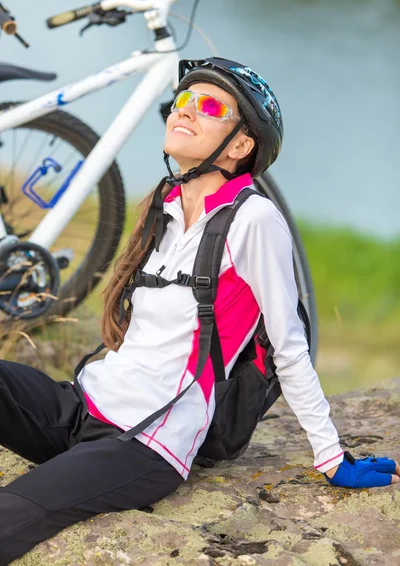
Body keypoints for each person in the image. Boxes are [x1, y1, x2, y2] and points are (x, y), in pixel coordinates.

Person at [0, 57, 398, 565]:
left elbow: (290, 347)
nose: (185, 111)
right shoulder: (162, 204)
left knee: (15, 507)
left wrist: (331, 457)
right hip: (82, 407)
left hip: (146, 443)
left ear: (239, 145)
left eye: (209, 106)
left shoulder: (254, 220)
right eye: (183, 101)